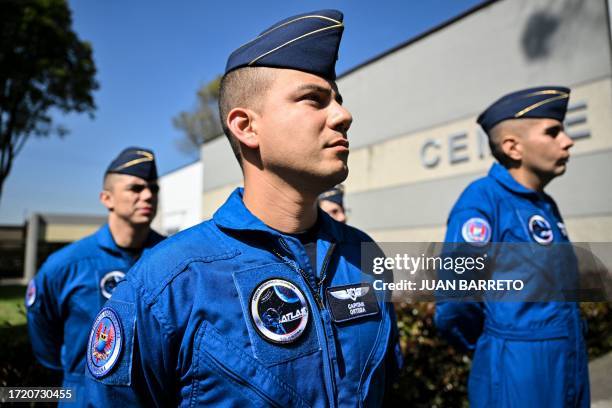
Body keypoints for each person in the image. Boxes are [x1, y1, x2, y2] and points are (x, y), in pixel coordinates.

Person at [84, 10, 400, 407]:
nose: (343, 115)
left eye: (337, 100)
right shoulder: (171, 281)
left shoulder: (364, 255)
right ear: (246, 126)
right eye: (314, 100)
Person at [435, 86, 589, 407]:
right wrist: (499, 344)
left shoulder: (545, 205)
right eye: (553, 132)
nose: (567, 140)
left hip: (568, 368)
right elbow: (455, 304)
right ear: (513, 147)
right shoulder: (482, 201)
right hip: (516, 377)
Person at [26, 147, 164, 405]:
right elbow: (41, 327)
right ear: (106, 198)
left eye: (153, 189)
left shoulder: (172, 259)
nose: (147, 195)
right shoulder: (65, 265)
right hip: (81, 397)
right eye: (135, 188)